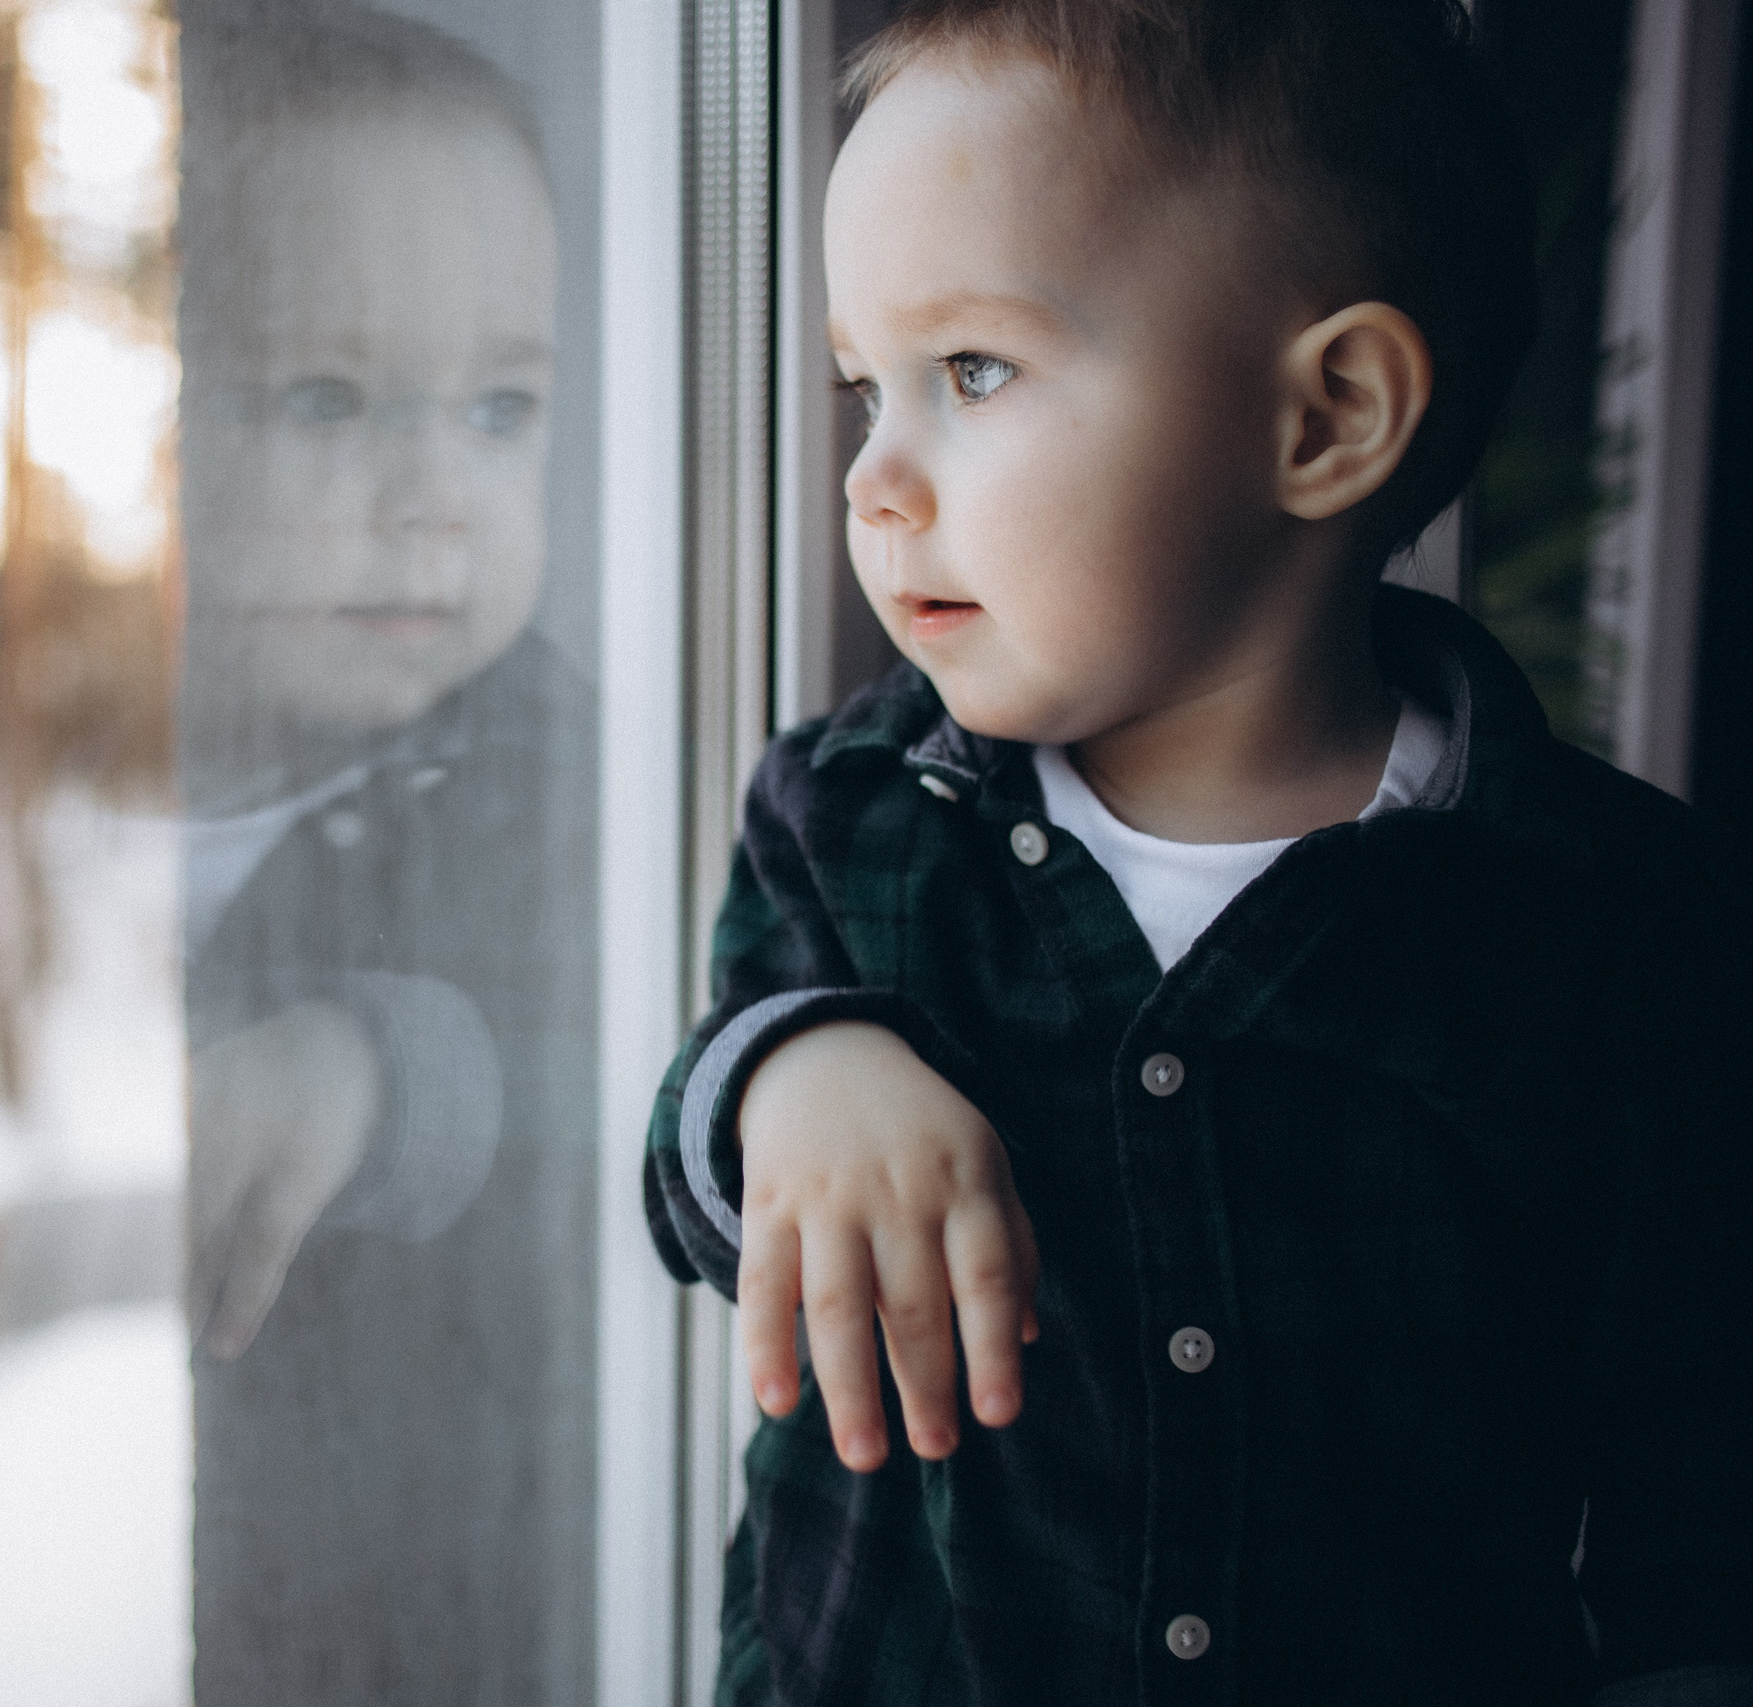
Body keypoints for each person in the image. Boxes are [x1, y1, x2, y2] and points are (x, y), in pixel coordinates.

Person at [642, 2, 1752, 1702]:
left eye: (975, 371)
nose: (874, 477)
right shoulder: (846, 815)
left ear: (1328, 421)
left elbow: (1696, 1499)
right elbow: (693, 1168)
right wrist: (796, 1069)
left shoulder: (1618, 935)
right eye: (868, 387)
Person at [175, 5, 596, 1702]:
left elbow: (651, 1055)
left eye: (501, 409)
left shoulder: (541, 775)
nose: (436, 495)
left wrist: (385, 1066)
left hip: (413, 1622)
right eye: (329, 396)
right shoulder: (12, 784)